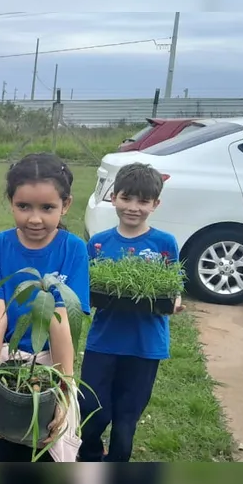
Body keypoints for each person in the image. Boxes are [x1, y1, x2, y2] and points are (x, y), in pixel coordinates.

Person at [0, 153, 91, 462]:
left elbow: (60, 320)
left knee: (46, 449)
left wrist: (65, 391)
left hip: (50, 368)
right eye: (23, 206)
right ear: (11, 202)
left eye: (47, 208)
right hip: (3, 364)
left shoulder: (73, 249)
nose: (35, 218)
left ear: (65, 205)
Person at [78, 162, 183, 462]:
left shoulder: (164, 243)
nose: (133, 207)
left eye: (143, 201)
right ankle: (89, 457)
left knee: (127, 419)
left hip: (145, 346)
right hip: (103, 343)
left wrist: (174, 300)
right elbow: (88, 287)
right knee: (92, 411)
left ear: (155, 204)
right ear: (113, 197)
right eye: (126, 198)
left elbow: (173, 285)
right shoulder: (99, 243)